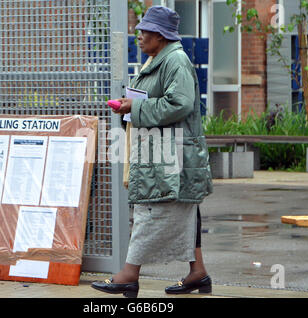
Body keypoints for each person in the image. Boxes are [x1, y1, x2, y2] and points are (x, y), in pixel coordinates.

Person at [91, 5, 213, 298]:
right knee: (181, 211)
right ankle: (198, 273)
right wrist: (130, 109)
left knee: (152, 212)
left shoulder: (176, 62)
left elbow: (180, 104)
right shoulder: (160, 60)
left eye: (144, 32)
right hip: (164, 155)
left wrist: (137, 107)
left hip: (173, 156)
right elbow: (158, 102)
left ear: (160, 35)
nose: (140, 37)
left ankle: (129, 274)